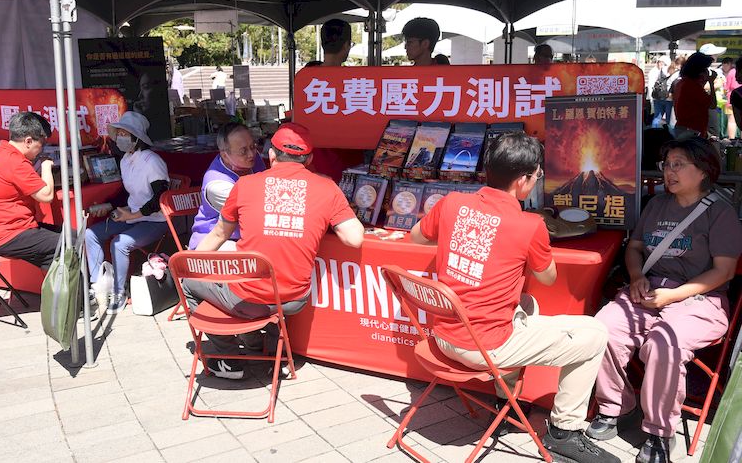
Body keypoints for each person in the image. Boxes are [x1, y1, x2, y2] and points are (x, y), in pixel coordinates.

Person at [409, 132, 618, 463]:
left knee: (526, 307)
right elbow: (547, 277)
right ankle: (564, 433)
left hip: (443, 336)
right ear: (523, 180)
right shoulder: (529, 225)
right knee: (595, 334)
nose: (536, 181)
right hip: (483, 346)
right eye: (537, 176)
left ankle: (506, 404)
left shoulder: (451, 203)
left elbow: (416, 237)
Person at [587, 137, 742, 463]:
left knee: (663, 343)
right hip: (649, 290)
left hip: (700, 300)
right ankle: (616, 406)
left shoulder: (721, 213)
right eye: (666, 165)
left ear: (704, 171)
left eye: (678, 165)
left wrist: (673, 295)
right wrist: (636, 277)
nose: (669, 172)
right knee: (602, 327)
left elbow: (724, 271)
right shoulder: (656, 204)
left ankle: (661, 432)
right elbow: (634, 248)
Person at [182, 123, 364, 379]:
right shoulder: (327, 188)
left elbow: (219, 234)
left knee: (188, 282)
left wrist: (190, 266)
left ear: (270, 155)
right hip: (294, 298)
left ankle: (228, 359)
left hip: (248, 297)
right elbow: (355, 238)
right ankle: (269, 354)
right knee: (258, 296)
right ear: (310, 159)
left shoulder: (244, 185)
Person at [85, 111, 170, 313]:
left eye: (125, 134)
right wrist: (110, 206)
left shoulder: (152, 161)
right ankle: (98, 287)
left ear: (137, 138)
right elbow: (127, 193)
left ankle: (119, 292)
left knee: (120, 243)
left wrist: (133, 215)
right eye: (119, 133)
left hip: (155, 220)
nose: (120, 137)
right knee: (90, 234)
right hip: (132, 215)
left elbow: (160, 199)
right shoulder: (125, 160)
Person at [0, 112, 61, 269]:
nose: (41, 149)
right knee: (69, 244)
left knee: (71, 237)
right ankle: (67, 285)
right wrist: (46, 166)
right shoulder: (16, 162)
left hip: (0, 232)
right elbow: (46, 195)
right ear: (28, 141)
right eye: (41, 144)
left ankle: (55, 283)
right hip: (8, 235)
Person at [189, 122, 266, 250]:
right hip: (216, 242)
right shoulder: (217, 185)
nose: (251, 154)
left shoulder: (254, 158)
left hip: (246, 234)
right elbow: (254, 215)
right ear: (225, 155)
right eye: (243, 151)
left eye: (252, 146)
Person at [672, 52, 714, 138]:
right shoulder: (692, 86)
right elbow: (712, 104)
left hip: (684, 128)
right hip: (693, 130)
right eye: (705, 69)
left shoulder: (681, 83)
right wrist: (711, 83)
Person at [648, 55, 672, 128]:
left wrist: (651, 98)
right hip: (669, 98)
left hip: (657, 97)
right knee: (669, 119)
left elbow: (650, 86)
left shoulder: (653, 71)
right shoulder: (670, 71)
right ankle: (668, 133)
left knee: (657, 117)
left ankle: (654, 131)